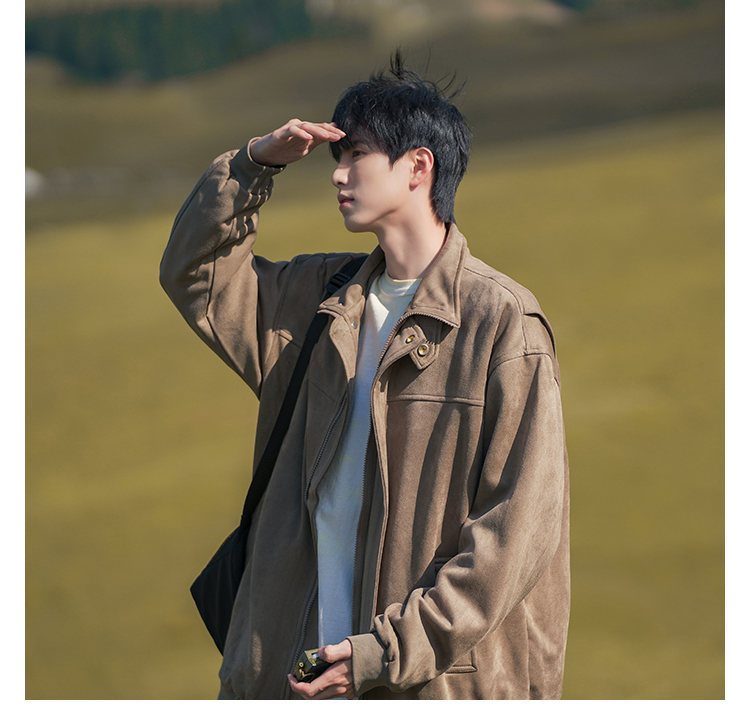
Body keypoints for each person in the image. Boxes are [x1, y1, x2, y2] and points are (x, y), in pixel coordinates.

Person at [160, 54, 570, 700]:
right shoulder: (314, 299)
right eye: (337, 156)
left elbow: (514, 534)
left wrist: (384, 653)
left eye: (357, 154)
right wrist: (252, 166)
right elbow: (194, 275)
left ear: (418, 167)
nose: (338, 173)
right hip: (296, 676)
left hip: (424, 685)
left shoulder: (501, 324)